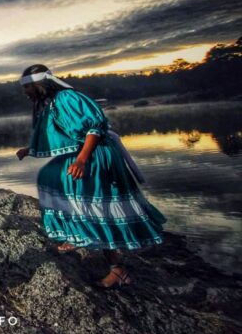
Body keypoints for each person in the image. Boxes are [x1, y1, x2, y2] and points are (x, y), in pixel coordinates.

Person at [16, 64, 166, 288]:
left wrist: (82, 160)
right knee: (51, 178)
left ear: (39, 84)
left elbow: (94, 128)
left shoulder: (67, 98)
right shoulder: (52, 103)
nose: (25, 92)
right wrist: (29, 150)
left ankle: (115, 267)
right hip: (83, 154)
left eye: (27, 87)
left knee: (93, 204)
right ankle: (79, 235)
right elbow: (58, 135)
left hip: (96, 154)